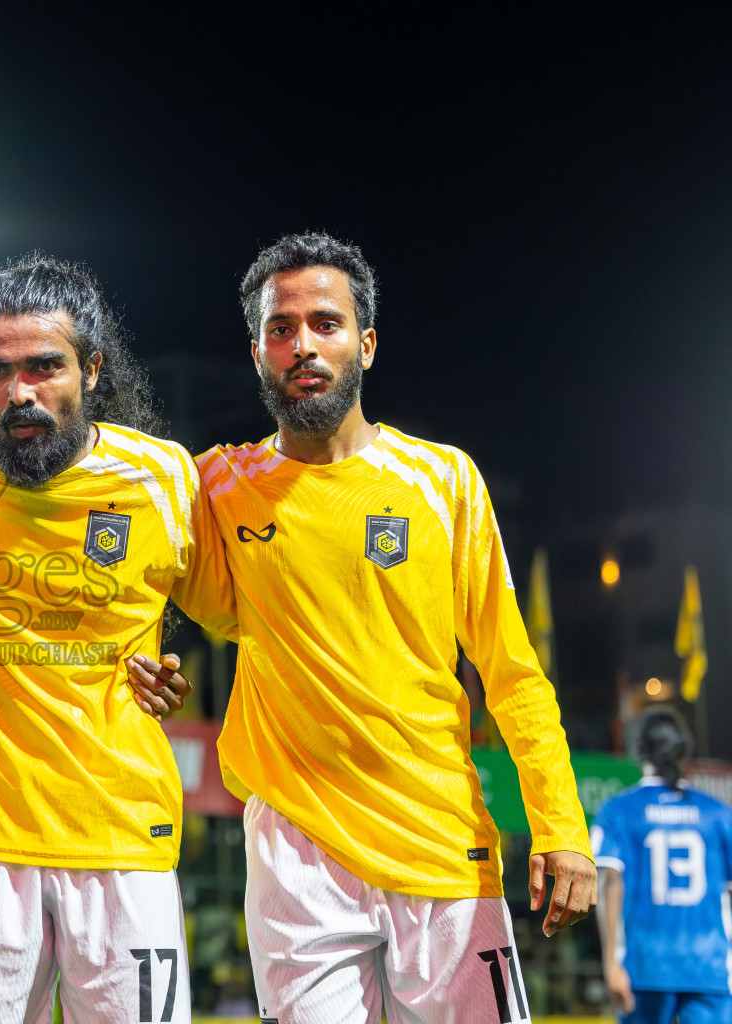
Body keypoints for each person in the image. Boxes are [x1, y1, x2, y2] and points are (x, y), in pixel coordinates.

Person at [203, 232, 595, 1022]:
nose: (303, 345)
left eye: (326, 322)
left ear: (367, 344)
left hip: (440, 838)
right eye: (281, 329)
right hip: (296, 849)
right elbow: (96, 485)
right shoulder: (216, 483)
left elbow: (512, 672)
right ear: (256, 352)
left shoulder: (444, 479)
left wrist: (562, 825)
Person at [0, 256, 233, 1023]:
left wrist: (174, 676)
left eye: (44, 365)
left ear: (94, 367)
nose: (21, 392)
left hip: (123, 847)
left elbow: (228, 615)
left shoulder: (165, 478)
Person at [593, 710, 732, 1024]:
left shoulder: (619, 810)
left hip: (645, 964)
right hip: (709, 966)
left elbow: (609, 883)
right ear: (682, 751)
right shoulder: (718, 814)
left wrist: (610, 964)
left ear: (638, 750)